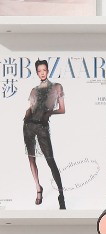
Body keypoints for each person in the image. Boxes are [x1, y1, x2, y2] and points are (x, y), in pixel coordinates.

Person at [23, 58, 66, 210]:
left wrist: (49, 113)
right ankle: (38, 188)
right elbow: (31, 108)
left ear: (48, 71)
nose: (42, 73)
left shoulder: (56, 87)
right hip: (28, 126)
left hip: (42, 127)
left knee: (50, 160)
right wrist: (27, 113)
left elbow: (62, 109)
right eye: (39, 71)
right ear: (36, 72)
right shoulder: (34, 90)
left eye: (44, 70)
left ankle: (61, 194)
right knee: (31, 158)